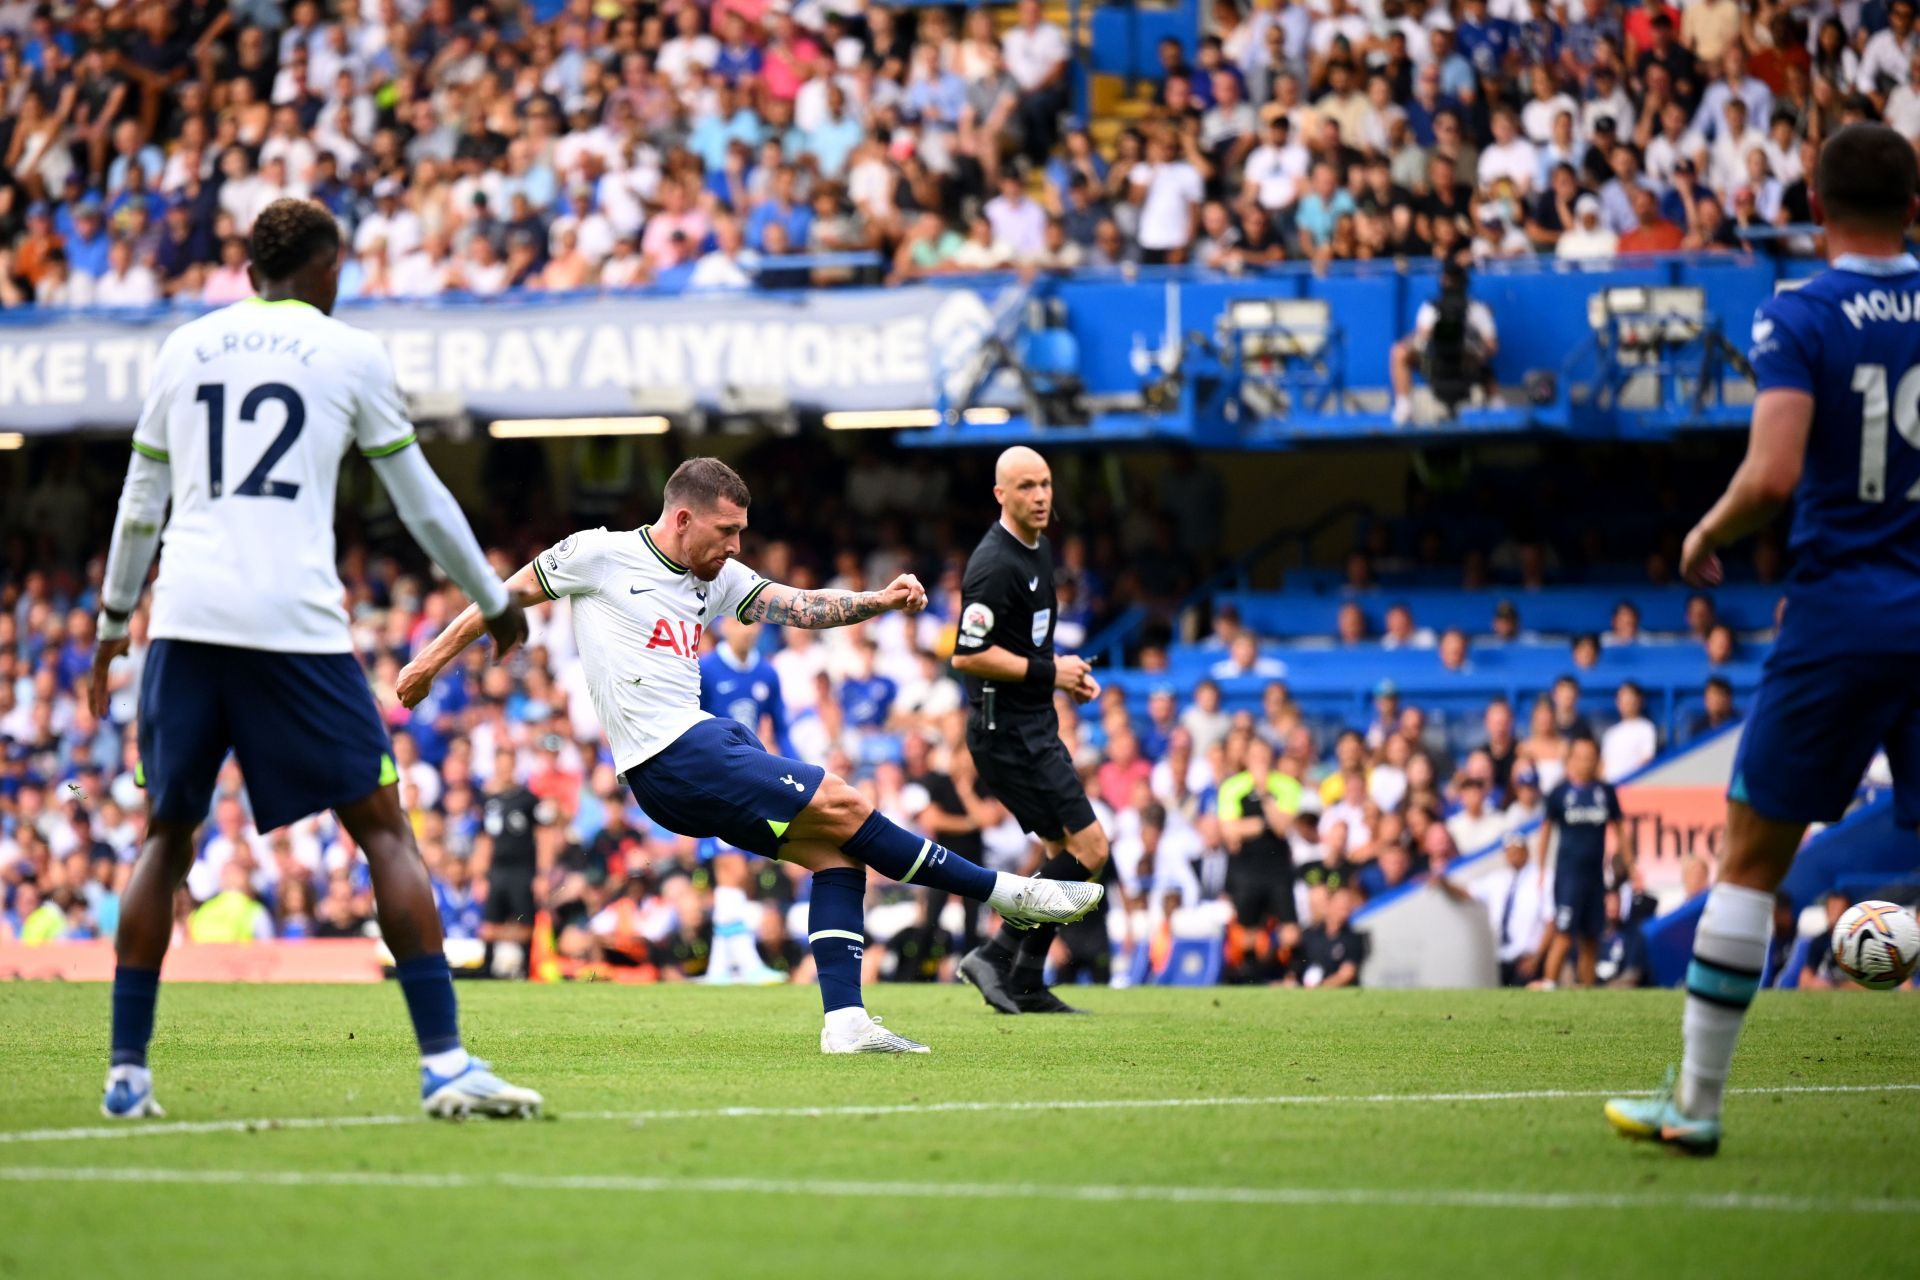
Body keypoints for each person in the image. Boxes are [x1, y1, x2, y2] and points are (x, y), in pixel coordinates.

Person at [398, 457, 1101, 1053]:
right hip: (669, 752)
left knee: (837, 852)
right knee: (847, 801)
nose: (736, 545)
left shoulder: (720, 579)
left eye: (741, 531)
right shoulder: (599, 553)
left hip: (703, 747)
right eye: (726, 530)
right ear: (682, 519)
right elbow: (502, 592)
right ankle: (1016, 895)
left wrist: (878, 601)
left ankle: (845, 1020)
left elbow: (799, 606)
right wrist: (428, 666)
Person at [89, 198, 541, 1121]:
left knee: (166, 840)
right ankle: (446, 1064)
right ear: (327, 268)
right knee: (382, 830)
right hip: (293, 626)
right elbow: (419, 503)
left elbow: (141, 505)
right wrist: (493, 602)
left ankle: (127, 1076)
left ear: (252, 267)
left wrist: (110, 622)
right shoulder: (349, 352)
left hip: (185, 618)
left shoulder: (185, 347)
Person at [1607, 125, 1920, 1156]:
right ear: (1914, 206)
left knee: (1751, 854)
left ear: (1817, 211)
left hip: (1840, 612)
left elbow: (1776, 471)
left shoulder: (1803, 310)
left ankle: (1695, 1101)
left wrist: (1707, 529)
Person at [950, 447, 1112, 1015]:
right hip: (1008, 731)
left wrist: (1064, 677)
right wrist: (1050, 673)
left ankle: (1025, 979)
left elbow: (1026, 644)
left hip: (1032, 721)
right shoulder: (994, 565)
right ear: (1001, 495)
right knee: (1090, 849)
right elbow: (968, 656)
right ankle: (995, 954)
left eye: (1045, 484)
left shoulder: (1039, 549)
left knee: (1061, 850)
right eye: (1026, 487)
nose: (1041, 497)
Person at [698, 618, 793, 985]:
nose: (750, 630)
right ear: (724, 627)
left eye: (755, 623)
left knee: (737, 875)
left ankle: (720, 968)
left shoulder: (767, 673)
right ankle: (748, 963)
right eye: (742, 623)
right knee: (730, 867)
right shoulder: (706, 668)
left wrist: (796, 768)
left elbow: (781, 727)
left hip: (751, 780)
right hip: (715, 779)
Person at [1534, 735, 1629, 988]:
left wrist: (1630, 866)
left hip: (1595, 878)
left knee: (1591, 938)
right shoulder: (1559, 793)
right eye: (1580, 757)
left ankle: (1587, 994)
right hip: (1568, 877)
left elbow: (1621, 831)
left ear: (1597, 760)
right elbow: (1545, 832)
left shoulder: (1605, 793)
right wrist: (1541, 868)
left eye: (1590, 757)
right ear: (1571, 759)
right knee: (1564, 935)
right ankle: (1548, 986)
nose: (1585, 762)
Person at [1389, 259, 1498, 425]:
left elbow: (1492, 345)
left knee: (1486, 370)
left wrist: (1475, 348)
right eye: (1446, 278)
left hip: (1466, 364)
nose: (1448, 283)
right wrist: (1429, 335)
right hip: (1432, 363)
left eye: (1453, 279)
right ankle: (1404, 406)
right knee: (1399, 352)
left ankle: (1497, 410)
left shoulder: (1476, 308)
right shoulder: (1430, 307)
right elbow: (1421, 337)